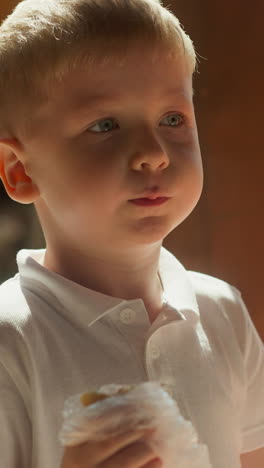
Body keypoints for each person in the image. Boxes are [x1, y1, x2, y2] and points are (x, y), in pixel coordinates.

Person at [0, 0, 263, 467]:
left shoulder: (223, 312)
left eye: (172, 119)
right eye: (106, 125)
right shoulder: (10, 342)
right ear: (20, 171)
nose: (153, 153)